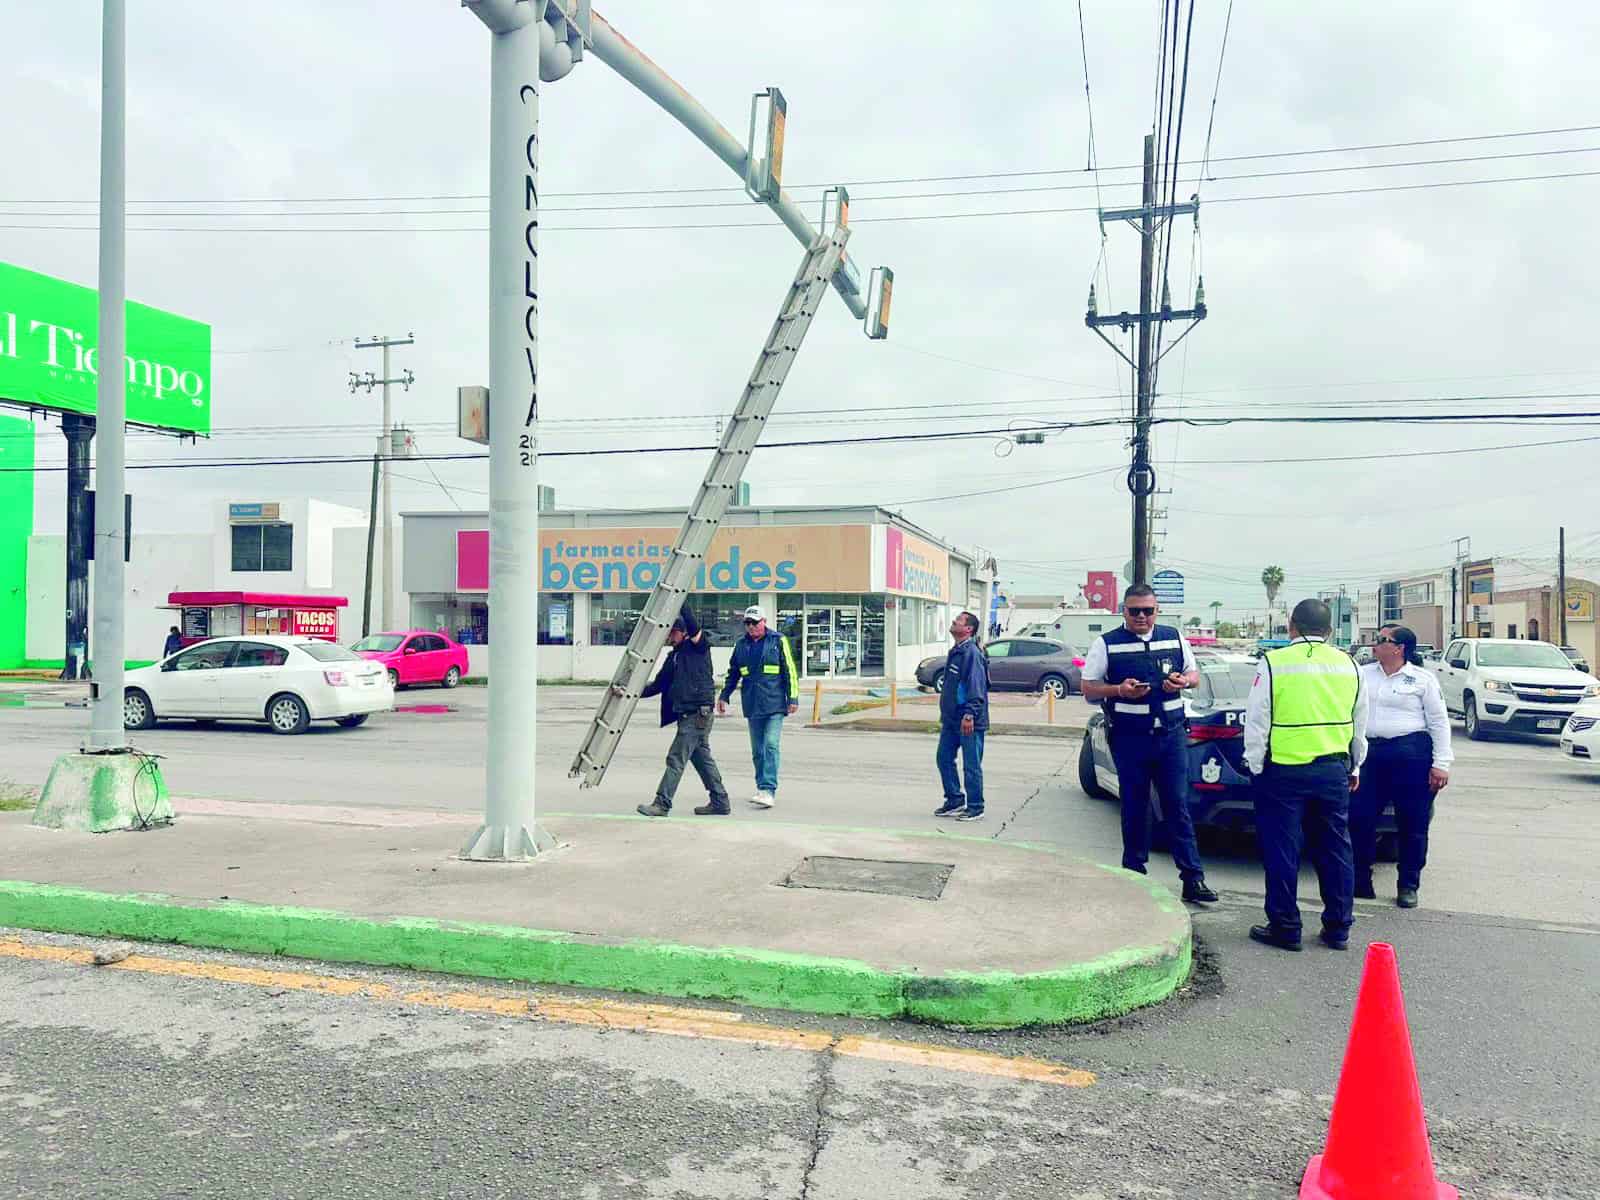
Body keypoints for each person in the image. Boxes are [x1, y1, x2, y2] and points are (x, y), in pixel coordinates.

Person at [1243, 598, 1368, 952]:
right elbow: (1360, 721)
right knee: (1335, 849)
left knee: (1282, 850)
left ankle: (1285, 927)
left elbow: (1258, 720)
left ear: (1291, 627)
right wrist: (1355, 765)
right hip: (1332, 769)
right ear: (1329, 631)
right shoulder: (1350, 665)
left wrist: (1255, 765)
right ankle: (1338, 928)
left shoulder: (1274, 663)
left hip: (1283, 772)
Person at [1080, 585, 1219, 903]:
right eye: (1134, 611)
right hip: (1130, 737)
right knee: (1135, 806)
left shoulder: (1173, 637)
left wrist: (1183, 681)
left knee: (1177, 806)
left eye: (1148, 611)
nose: (1141, 617)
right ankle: (1134, 875)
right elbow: (1088, 688)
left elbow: (1194, 675)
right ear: (1124, 611)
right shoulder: (1107, 644)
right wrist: (1119, 690)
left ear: (1157, 611)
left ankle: (1193, 879)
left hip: (1171, 735)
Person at [1354, 624, 1452, 909]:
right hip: (1370, 755)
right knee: (1359, 820)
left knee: (1413, 823)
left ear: (1399, 648)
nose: (1375, 644)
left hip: (1410, 755)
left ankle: (1408, 885)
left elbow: (1439, 722)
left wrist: (1441, 763)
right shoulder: (1362, 674)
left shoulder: (1422, 679)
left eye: (1382, 640)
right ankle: (1360, 880)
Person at [632, 604, 730, 819]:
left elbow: (693, 625)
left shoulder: (698, 647)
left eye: (673, 632)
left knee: (675, 758)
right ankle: (720, 802)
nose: (669, 636)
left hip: (697, 713)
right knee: (702, 759)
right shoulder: (673, 657)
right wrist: (630, 692)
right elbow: (657, 686)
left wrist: (681, 601)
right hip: (687, 714)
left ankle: (662, 804)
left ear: (684, 633)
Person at [717, 605, 800, 809]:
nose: (751, 626)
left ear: (764, 622)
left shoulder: (777, 640)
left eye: (755, 622)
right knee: (758, 751)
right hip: (753, 703)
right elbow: (733, 673)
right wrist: (724, 696)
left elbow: (789, 669)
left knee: (771, 745)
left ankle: (768, 789)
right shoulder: (741, 645)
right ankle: (762, 789)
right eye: (747, 623)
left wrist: (793, 697)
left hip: (774, 702)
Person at [933, 611, 990, 821]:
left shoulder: (971, 654)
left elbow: (976, 686)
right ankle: (954, 799)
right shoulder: (956, 651)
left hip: (968, 719)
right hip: (951, 719)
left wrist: (969, 714)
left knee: (971, 765)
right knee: (944, 758)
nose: (954, 622)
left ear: (968, 629)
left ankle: (975, 806)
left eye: (958, 620)